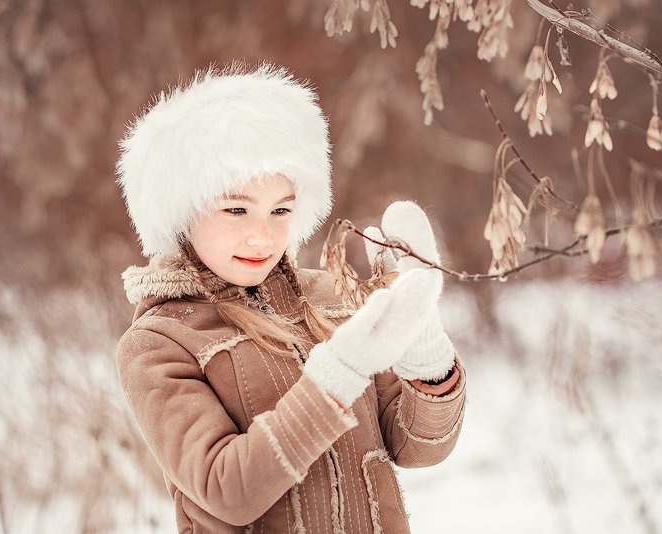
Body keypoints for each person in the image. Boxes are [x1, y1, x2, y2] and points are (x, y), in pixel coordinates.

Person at [114, 63, 467, 534]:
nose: (262, 236)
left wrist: (425, 362)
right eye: (236, 209)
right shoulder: (159, 344)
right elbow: (228, 491)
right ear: (182, 209)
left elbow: (417, 449)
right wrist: (332, 379)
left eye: (280, 209)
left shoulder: (329, 297)